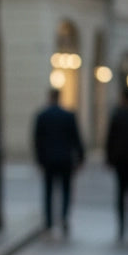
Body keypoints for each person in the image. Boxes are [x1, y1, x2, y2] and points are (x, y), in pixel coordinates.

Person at [33, 87, 84, 235]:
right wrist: (80, 157)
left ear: (49, 97)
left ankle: (49, 221)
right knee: (66, 190)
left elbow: (37, 140)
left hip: (48, 159)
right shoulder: (68, 115)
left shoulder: (42, 116)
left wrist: (39, 159)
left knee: (48, 191)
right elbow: (76, 138)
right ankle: (63, 217)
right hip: (65, 159)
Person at [105, 87, 128, 240]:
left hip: (121, 161)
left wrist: (109, 159)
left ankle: (122, 225)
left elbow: (110, 139)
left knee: (121, 193)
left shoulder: (117, 116)